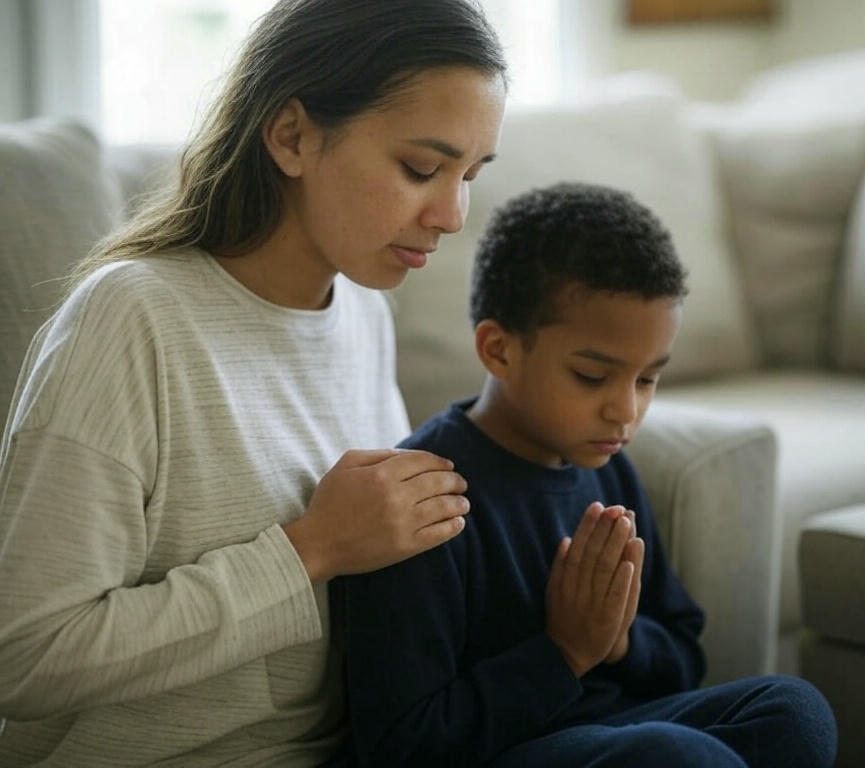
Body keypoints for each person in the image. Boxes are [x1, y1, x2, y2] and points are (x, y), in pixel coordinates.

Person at [0, 1, 506, 765]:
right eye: (422, 169)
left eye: (469, 175)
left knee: (739, 722)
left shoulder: (362, 313)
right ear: (292, 135)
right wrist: (310, 551)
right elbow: (25, 656)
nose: (452, 214)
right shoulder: (132, 321)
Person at [338, 182, 838, 768]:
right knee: (676, 756)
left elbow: (682, 652)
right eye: (592, 376)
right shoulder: (425, 500)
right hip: (499, 750)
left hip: (616, 730)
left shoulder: (608, 470)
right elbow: (403, 745)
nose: (625, 411)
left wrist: (619, 640)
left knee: (792, 709)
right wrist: (565, 652)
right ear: (498, 350)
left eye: (647, 379)